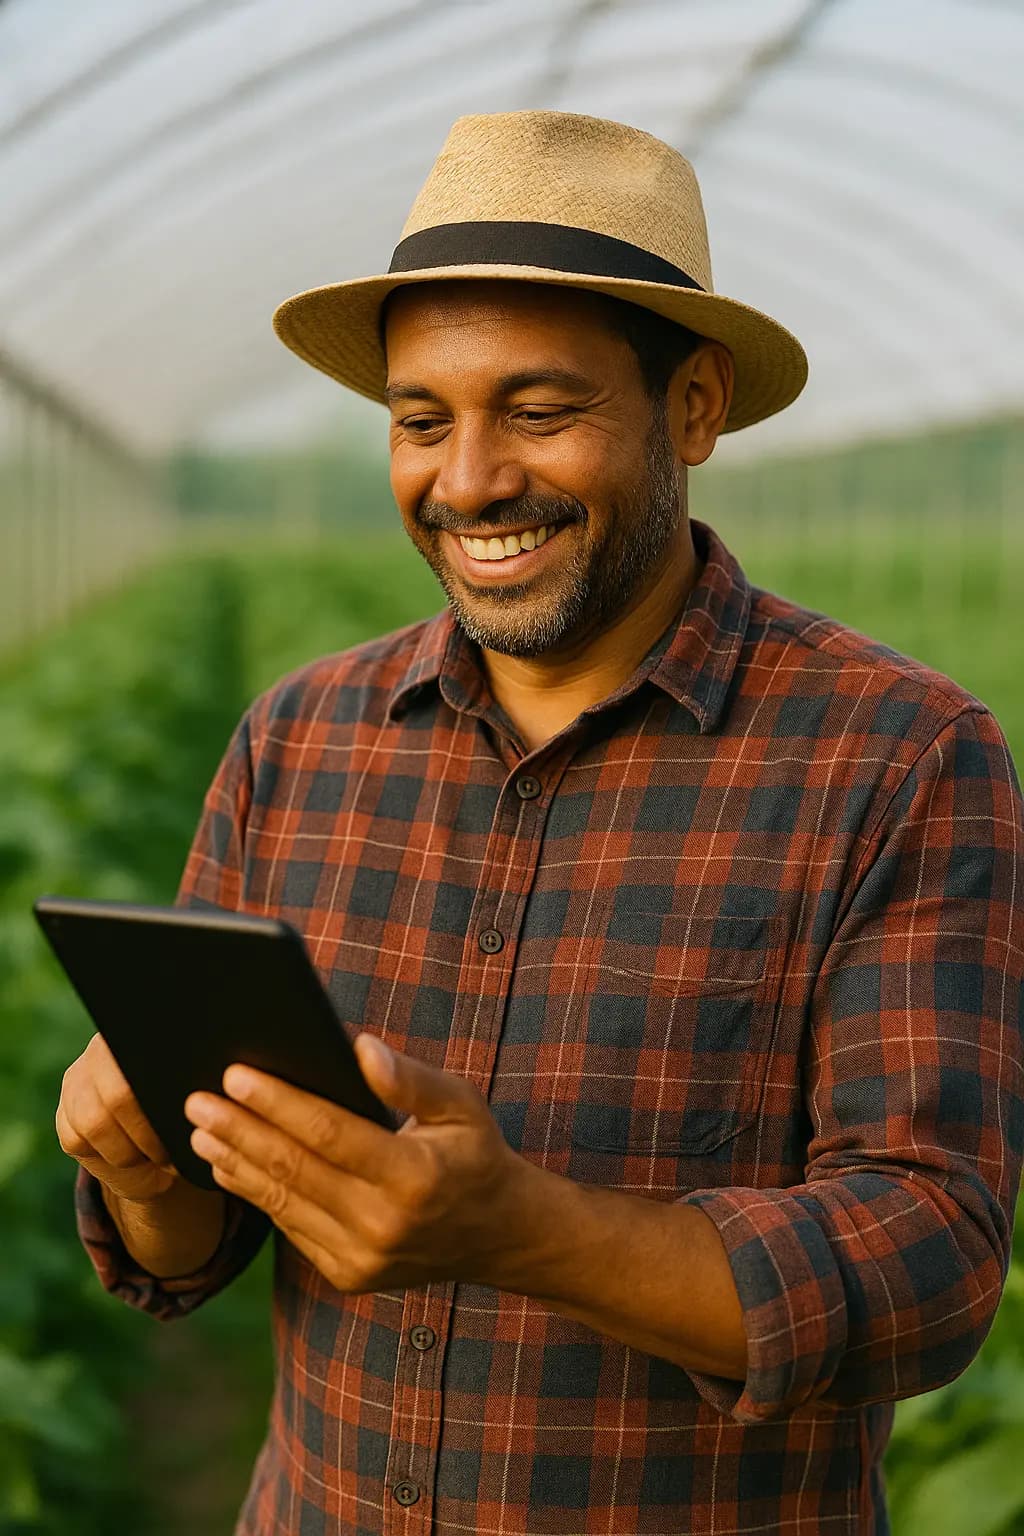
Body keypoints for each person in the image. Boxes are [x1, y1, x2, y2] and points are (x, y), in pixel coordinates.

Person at [56, 111, 1023, 1536]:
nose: (468, 481)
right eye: (420, 420)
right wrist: (145, 1172)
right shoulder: (301, 740)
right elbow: (201, 1240)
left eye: (541, 409)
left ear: (693, 406)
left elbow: (932, 1258)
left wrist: (519, 1229)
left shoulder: (895, 757)